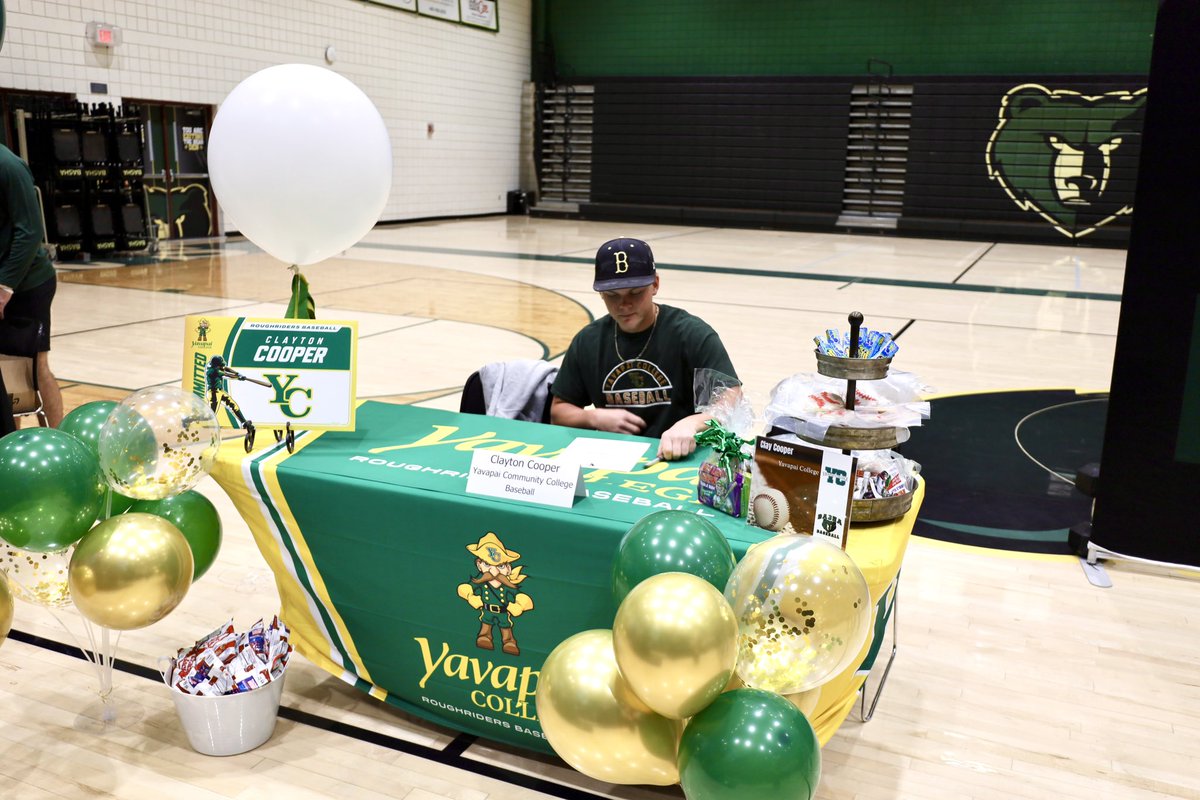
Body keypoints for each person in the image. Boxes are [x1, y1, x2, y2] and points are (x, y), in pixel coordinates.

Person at [550, 237, 738, 461]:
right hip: (615, 458)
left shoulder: (691, 334)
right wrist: (594, 418)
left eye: (635, 292)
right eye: (612, 295)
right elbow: (559, 410)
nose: (624, 304)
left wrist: (693, 423)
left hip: (684, 457)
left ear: (655, 284)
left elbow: (731, 394)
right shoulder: (588, 341)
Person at [0, 143, 61, 428]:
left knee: (35, 369)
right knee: (6, 371)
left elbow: (30, 231)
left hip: (28, 285)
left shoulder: (8, 166)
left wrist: (5, 286)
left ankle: (60, 439)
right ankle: (12, 444)